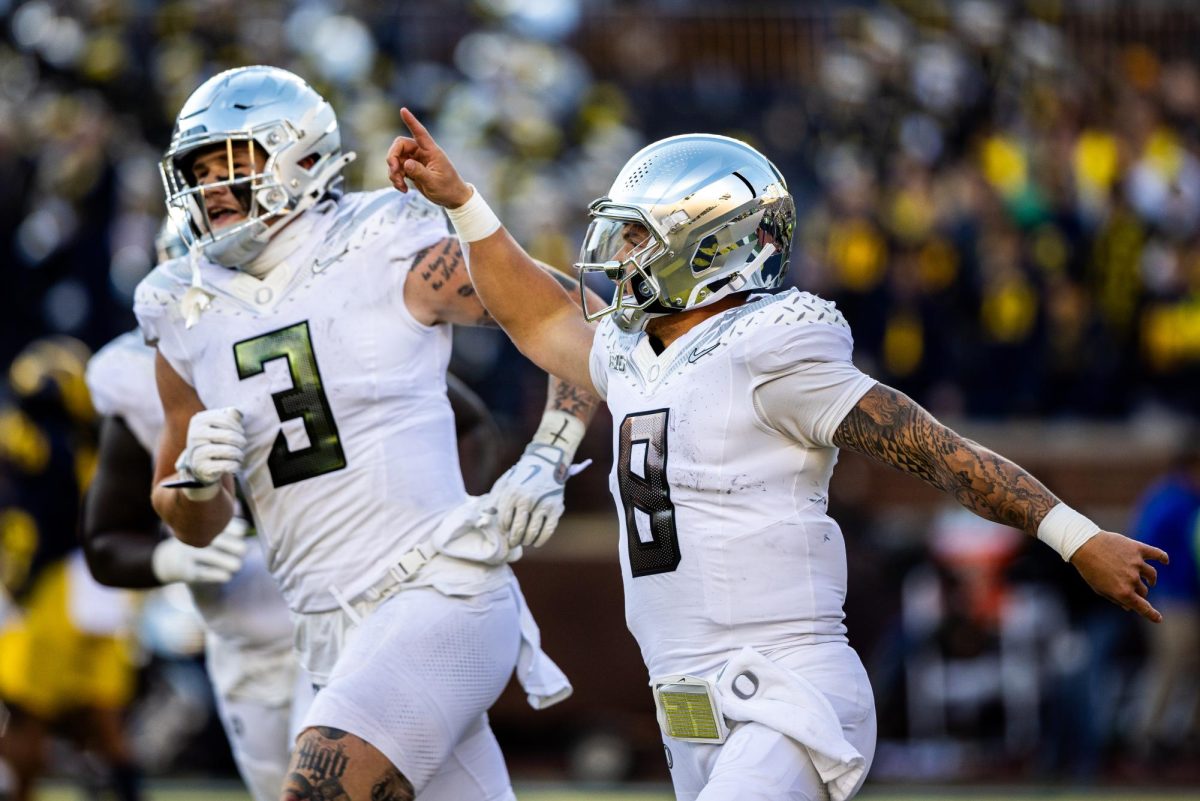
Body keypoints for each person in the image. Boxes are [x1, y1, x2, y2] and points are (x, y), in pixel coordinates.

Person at [387, 110, 1171, 801]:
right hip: (686, 698)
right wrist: (463, 202)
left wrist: (1078, 538)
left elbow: (940, 452)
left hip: (789, 690)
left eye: (637, 234)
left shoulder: (773, 349)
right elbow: (534, 316)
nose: (616, 252)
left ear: (708, 246)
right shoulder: (634, 355)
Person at [134, 66, 599, 801]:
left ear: (301, 157)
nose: (212, 186)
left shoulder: (380, 239)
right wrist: (194, 482)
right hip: (324, 633)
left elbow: (573, 313)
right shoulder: (178, 304)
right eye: (198, 169)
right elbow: (191, 522)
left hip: (438, 591)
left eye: (232, 162)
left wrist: (550, 451)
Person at [0, 337, 142, 801]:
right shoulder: (93, 449)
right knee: (102, 717)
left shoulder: (30, 443)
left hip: (50, 589)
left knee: (28, 713)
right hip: (103, 582)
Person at [1130, 432, 1200, 755]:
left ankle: (1183, 736)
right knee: (1168, 667)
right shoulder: (1169, 499)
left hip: (1190, 598)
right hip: (1171, 599)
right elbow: (1143, 548)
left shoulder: (1189, 499)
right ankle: (1147, 739)